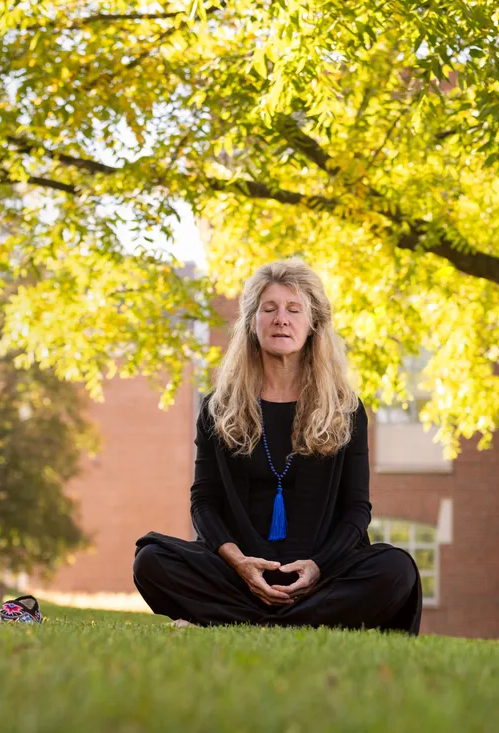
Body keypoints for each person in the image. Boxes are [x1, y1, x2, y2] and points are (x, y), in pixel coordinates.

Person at [133, 258, 422, 634]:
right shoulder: (218, 408)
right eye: (268, 309)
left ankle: (246, 621)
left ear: (313, 322)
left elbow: (357, 509)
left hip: (322, 575)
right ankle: (296, 622)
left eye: (293, 309)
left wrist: (318, 567)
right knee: (150, 560)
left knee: (396, 569)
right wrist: (238, 562)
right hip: (238, 574)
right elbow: (204, 502)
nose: (280, 319)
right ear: (252, 323)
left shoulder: (345, 408)